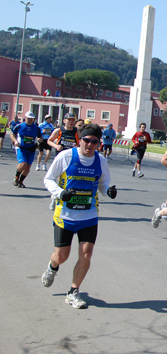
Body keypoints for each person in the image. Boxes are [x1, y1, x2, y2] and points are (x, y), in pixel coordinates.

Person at [41, 123, 117, 309]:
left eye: (94, 141)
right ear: (80, 139)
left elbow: (103, 185)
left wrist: (109, 191)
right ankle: (52, 267)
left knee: (86, 254)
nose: (90, 145)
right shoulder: (66, 156)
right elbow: (48, 179)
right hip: (65, 216)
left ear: (99, 143)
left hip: (89, 216)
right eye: (86, 140)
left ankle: (73, 291)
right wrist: (60, 193)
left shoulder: (101, 161)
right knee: (61, 256)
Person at [48, 113, 81, 210]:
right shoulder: (59, 130)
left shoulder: (77, 132)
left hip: (73, 160)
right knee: (59, 180)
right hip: (60, 160)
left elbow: (81, 143)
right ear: (64, 121)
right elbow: (49, 140)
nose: (71, 122)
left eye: (72, 120)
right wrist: (56, 146)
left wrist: (78, 147)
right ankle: (54, 198)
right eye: (69, 120)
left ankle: (68, 201)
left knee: (70, 180)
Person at [10, 111, 42, 188]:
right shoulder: (20, 126)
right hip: (21, 148)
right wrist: (15, 141)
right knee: (23, 164)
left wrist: (39, 140)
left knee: (27, 167)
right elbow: (12, 134)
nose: (30, 120)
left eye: (32, 119)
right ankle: (16, 177)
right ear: (25, 118)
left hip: (31, 149)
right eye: (28, 118)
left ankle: (20, 181)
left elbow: (41, 137)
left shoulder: (36, 128)